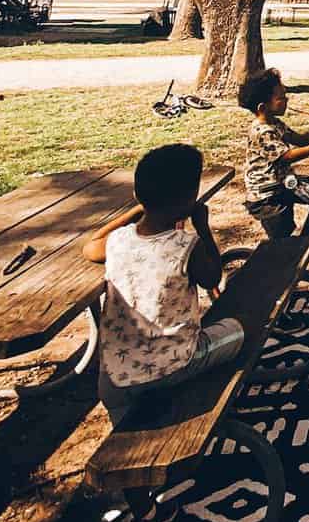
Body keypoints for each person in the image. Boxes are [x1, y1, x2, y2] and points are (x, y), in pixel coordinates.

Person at [83, 143, 244, 485]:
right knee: (237, 330)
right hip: (174, 364)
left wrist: (135, 210)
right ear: (188, 200)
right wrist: (203, 226)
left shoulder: (118, 241)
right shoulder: (187, 246)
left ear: (138, 194)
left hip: (114, 376)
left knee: (124, 442)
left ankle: (144, 511)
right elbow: (212, 276)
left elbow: (90, 245)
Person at [238, 66, 309, 240]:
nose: (286, 100)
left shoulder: (275, 123)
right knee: (281, 244)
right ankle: (287, 256)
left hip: (282, 185)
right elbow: (287, 156)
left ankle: (305, 239)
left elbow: (300, 139)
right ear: (262, 107)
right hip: (267, 197)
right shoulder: (262, 131)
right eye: (281, 98)